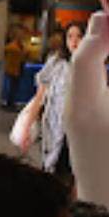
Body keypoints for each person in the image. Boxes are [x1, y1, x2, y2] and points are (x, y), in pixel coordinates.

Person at [20, 22, 85, 186]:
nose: (74, 41)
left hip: (81, 130)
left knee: (77, 176)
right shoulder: (56, 63)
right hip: (55, 128)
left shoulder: (91, 65)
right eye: (70, 36)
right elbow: (40, 96)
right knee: (53, 173)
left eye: (79, 36)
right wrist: (27, 126)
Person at [3, 26, 28, 109]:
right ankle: (10, 103)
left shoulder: (20, 45)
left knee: (15, 87)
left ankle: (11, 102)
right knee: (12, 87)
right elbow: (10, 59)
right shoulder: (11, 47)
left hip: (18, 68)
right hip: (13, 69)